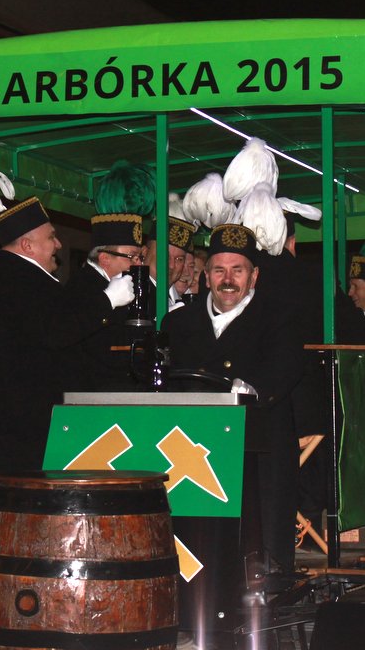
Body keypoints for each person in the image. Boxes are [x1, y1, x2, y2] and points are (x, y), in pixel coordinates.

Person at [163, 223, 307, 574]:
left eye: (238, 270)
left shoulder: (281, 317)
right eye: (219, 270)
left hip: (259, 444)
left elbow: (285, 369)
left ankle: (267, 592)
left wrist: (250, 390)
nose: (228, 280)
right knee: (196, 540)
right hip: (195, 445)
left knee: (264, 545)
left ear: (254, 276)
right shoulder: (178, 323)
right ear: (206, 275)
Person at [0, 197, 100, 476]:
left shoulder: (11, 277)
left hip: (23, 431)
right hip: (27, 437)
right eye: (51, 237)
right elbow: (58, 331)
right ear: (27, 246)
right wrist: (106, 302)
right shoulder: (19, 281)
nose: (59, 244)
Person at [53, 213, 143, 393]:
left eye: (140, 257)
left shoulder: (112, 284)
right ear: (105, 259)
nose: (139, 264)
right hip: (96, 391)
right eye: (132, 257)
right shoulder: (83, 287)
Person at [144, 216, 197, 315]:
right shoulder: (132, 295)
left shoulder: (181, 299)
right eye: (165, 255)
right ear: (144, 252)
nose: (171, 265)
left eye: (179, 259)